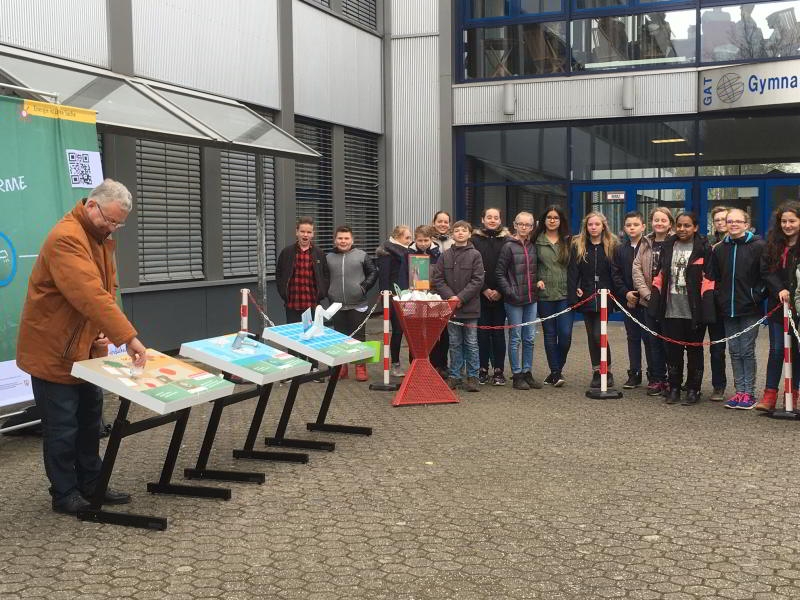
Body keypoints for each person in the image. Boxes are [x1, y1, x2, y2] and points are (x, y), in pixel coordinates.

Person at [16, 179, 147, 515]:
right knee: (62, 428)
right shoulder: (66, 238)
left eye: (119, 223)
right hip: (54, 351)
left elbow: (106, 291)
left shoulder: (99, 238)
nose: (113, 227)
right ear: (91, 205)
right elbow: (88, 294)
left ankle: (93, 482)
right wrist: (128, 337)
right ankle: (65, 493)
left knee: (90, 422)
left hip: (85, 349)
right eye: (110, 220)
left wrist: (103, 332)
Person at [647, 213, 715, 405]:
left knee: (694, 352)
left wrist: (706, 311)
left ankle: (694, 389)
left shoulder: (704, 248)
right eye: (679, 225)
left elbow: (709, 281)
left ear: (695, 227)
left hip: (694, 310)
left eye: (687, 226)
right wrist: (655, 303)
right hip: (671, 309)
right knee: (673, 351)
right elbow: (660, 275)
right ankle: (674, 387)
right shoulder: (668, 246)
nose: (682, 229)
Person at [710, 208, 767, 410]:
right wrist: (719, 296)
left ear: (746, 223)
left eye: (737, 221)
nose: (733, 224)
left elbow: (765, 275)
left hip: (750, 308)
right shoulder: (719, 249)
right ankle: (739, 392)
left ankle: (749, 393)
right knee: (734, 351)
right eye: (730, 221)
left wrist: (756, 294)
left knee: (747, 350)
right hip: (728, 308)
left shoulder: (759, 246)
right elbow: (714, 277)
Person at [568, 211, 619, 389]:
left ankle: (608, 371)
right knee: (592, 336)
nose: (594, 227)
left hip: (606, 296)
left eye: (597, 224)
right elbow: (574, 271)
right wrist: (574, 293)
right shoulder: (578, 244)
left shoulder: (612, 245)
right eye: (590, 224)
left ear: (603, 225)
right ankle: (597, 371)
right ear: (586, 226)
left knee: (600, 334)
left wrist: (617, 295)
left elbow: (616, 272)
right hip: (587, 296)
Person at [432, 220, 484, 392]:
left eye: (464, 230)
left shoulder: (475, 255)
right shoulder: (445, 255)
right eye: (457, 230)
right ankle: (455, 376)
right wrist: (451, 297)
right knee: (454, 343)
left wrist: (460, 298)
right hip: (451, 307)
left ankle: (473, 376)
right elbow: (438, 279)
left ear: (470, 234)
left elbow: (477, 280)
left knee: (471, 342)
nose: (460, 233)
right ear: (452, 234)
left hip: (470, 308)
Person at [759, 202, 800, 411]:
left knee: (797, 351)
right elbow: (766, 271)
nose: (787, 225)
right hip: (778, 306)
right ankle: (769, 396)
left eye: (792, 221)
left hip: (798, 307)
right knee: (776, 350)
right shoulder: (772, 244)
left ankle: (793, 395)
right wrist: (779, 290)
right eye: (784, 221)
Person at [326, 226, 378, 382]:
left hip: (358, 303)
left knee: (358, 337)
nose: (343, 241)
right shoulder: (328, 257)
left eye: (346, 238)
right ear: (335, 240)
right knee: (339, 337)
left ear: (352, 240)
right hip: (336, 304)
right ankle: (342, 368)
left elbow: (373, 272)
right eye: (340, 238)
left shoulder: (361, 255)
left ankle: (360, 367)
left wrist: (363, 288)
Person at [632, 207, 675, 396]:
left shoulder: (676, 241)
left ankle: (672, 380)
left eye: (663, 220)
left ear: (670, 223)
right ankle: (657, 378)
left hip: (670, 301)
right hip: (648, 301)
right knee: (653, 341)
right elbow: (637, 269)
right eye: (656, 220)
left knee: (669, 342)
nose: (659, 223)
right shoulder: (645, 242)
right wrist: (646, 294)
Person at [496, 211, 541, 391]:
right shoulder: (508, 246)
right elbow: (499, 273)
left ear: (532, 227)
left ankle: (527, 371)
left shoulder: (532, 246)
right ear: (515, 225)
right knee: (515, 338)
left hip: (531, 298)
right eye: (520, 224)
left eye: (527, 225)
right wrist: (509, 292)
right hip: (514, 300)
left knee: (529, 338)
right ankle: (517, 375)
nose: (524, 227)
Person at [533, 205, 572, 387]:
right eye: (549, 217)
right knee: (550, 334)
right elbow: (530, 266)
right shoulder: (536, 240)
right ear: (544, 220)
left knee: (565, 335)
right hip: (545, 294)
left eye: (556, 217)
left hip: (564, 293)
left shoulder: (568, 240)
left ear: (560, 220)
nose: (552, 220)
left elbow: (575, 267)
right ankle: (556, 372)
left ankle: (557, 369)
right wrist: (536, 281)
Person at [471, 208, 510, 386]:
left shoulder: (508, 241)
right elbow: (473, 269)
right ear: (483, 219)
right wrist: (485, 289)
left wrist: (501, 290)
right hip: (481, 294)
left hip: (501, 295)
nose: (492, 220)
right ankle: (482, 369)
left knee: (499, 334)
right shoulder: (474, 240)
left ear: (500, 220)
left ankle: (499, 370)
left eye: (496, 217)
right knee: (482, 334)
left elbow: (510, 268)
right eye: (489, 217)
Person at [613, 211, 650, 390]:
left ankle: (655, 374)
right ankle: (634, 373)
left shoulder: (650, 247)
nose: (632, 228)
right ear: (624, 228)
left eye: (636, 224)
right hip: (629, 300)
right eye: (628, 225)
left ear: (643, 227)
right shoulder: (620, 250)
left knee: (650, 338)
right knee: (633, 337)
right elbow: (616, 274)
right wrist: (625, 293)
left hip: (649, 300)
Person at [276, 217, 331, 324]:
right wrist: (283, 293)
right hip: (292, 304)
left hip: (313, 305)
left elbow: (326, 275)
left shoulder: (319, 253)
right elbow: (279, 274)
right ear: (297, 232)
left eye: (308, 232)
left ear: (312, 234)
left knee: (312, 336)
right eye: (302, 231)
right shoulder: (287, 252)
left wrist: (322, 293)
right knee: (294, 336)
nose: (305, 235)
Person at [376, 225, 412, 378]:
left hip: (408, 295)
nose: (410, 241)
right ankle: (395, 364)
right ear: (397, 237)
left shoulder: (408, 252)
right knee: (397, 330)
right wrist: (386, 296)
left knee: (410, 331)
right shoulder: (387, 253)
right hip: (394, 297)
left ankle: (414, 363)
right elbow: (384, 277)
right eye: (407, 237)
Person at [706, 206, 730, 401]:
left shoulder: (735, 244)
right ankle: (718, 385)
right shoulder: (709, 244)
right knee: (717, 348)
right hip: (711, 302)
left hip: (730, 302)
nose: (721, 222)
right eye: (717, 220)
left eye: (724, 219)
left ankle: (744, 389)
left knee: (740, 349)